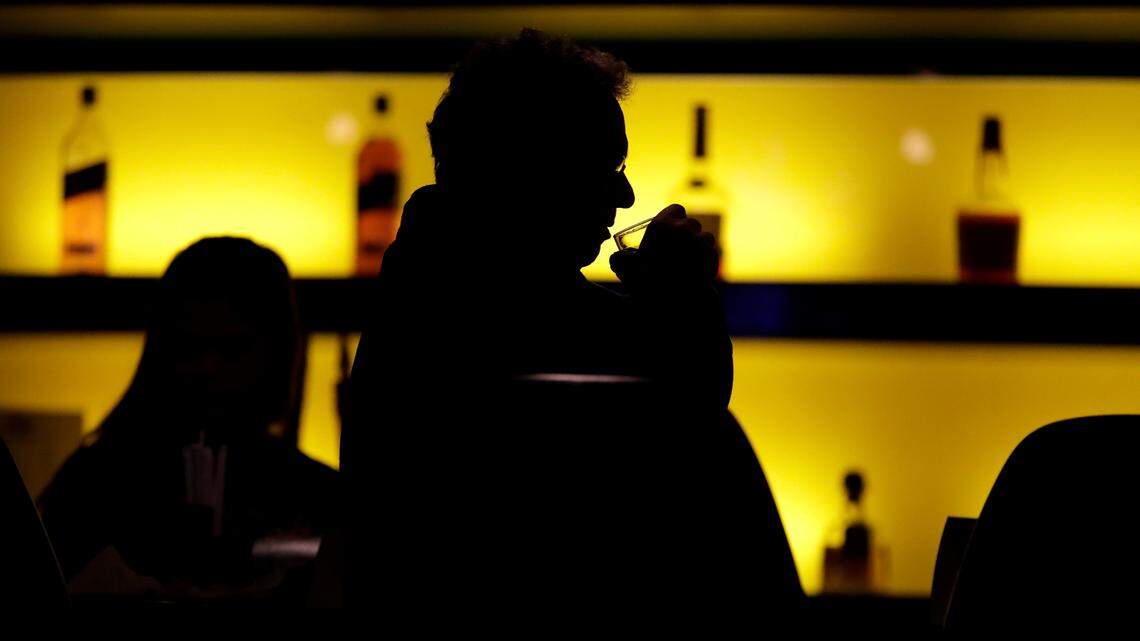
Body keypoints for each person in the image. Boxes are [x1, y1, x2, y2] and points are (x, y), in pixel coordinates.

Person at [342, 29, 800, 618]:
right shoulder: (525, 316)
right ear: (534, 167)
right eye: (606, 165)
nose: (626, 194)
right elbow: (685, 438)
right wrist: (682, 302)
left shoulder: (423, 289)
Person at [38, 237, 338, 601]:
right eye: (190, 346)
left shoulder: (319, 498)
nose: (208, 367)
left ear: (276, 353)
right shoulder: (91, 484)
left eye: (232, 348)